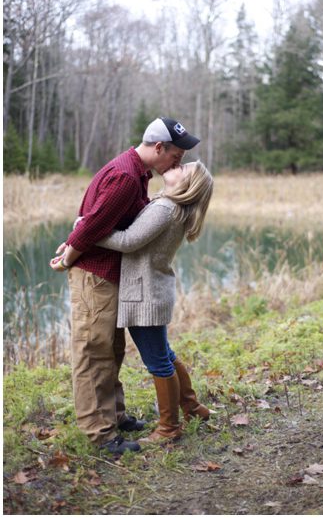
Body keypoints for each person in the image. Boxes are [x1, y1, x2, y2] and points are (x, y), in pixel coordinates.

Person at [51, 117, 200, 454]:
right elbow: (93, 226)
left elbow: (104, 224)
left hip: (108, 273)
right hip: (95, 273)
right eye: (176, 156)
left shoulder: (138, 174)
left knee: (110, 350)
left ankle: (115, 416)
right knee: (93, 352)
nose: (178, 162)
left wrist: (76, 238)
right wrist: (69, 253)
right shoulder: (125, 177)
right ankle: (101, 433)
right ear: (159, 147)